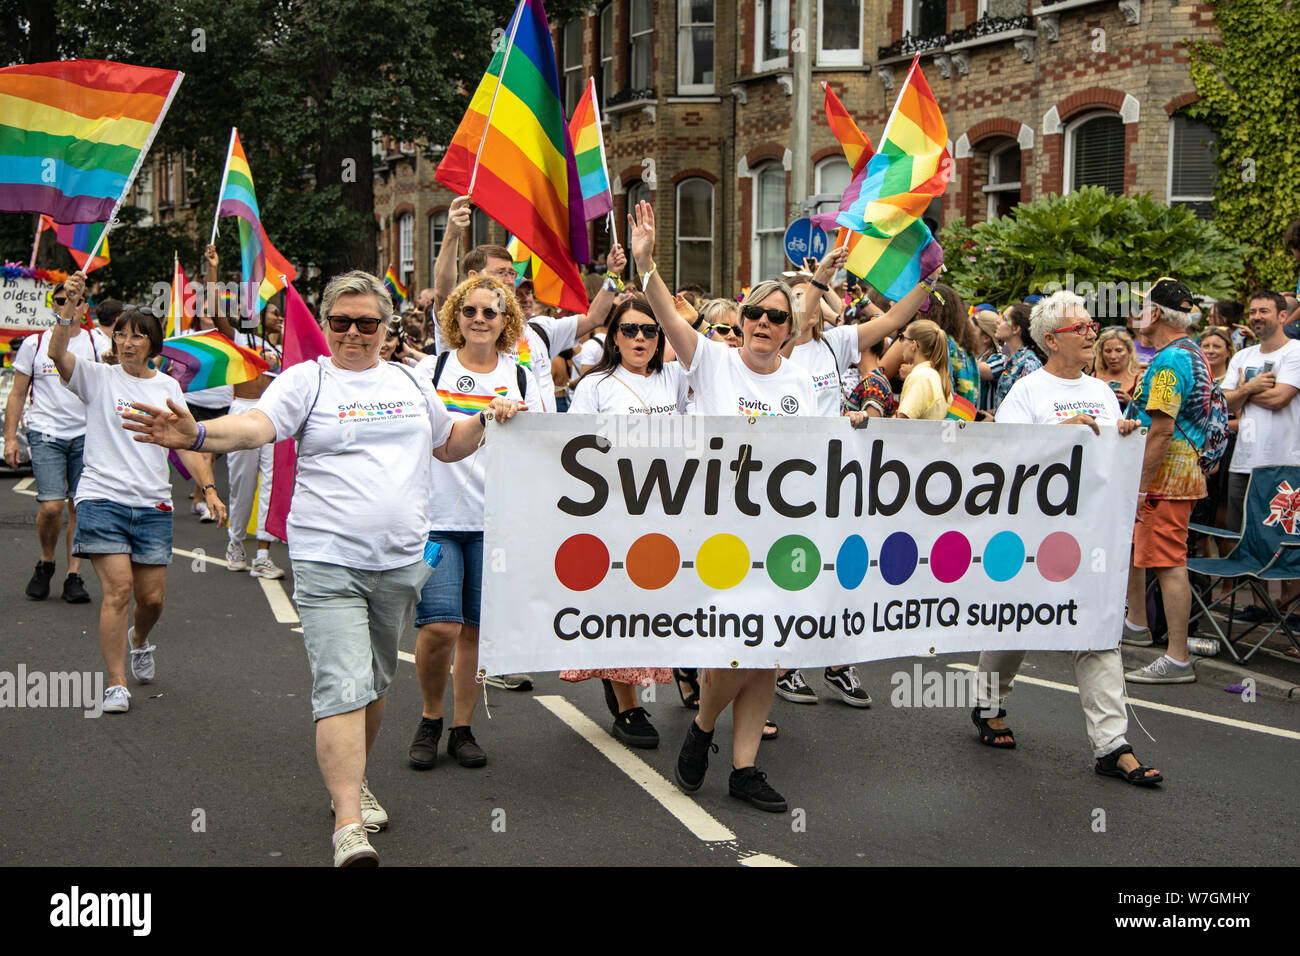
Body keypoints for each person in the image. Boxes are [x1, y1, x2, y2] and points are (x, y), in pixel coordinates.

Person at [124, 269, 521, 866]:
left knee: (375, 682)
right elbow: (258, 425)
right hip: (327, 560)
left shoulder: (412, 381)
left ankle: (353, 779)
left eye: (368, 323)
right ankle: (347, 824)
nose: (354, 334)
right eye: (341, 322)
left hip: (399, 563)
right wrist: (200, 433)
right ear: (327, 324)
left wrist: (489, 419)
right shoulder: (306, 380)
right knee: (342, 682)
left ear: (388, 329)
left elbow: (448, 442)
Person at [629, 199, 812, 813]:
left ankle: (743, 767)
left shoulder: (802, 382)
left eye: (776, 317)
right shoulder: (709, 360)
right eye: (755, 313)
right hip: (715, 529)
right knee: (737, 644)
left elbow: (827, 451)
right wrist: (647, 264)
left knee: (769, 653)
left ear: (791, 329)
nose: (762, 323)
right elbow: (664, 317)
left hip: (782, 535)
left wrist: (862, 425)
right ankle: (706, 723)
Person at [971, 291, 1161, 785]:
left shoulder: (1100, 390)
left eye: (1092, 326)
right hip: (1032, 537)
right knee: (1016, 623)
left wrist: (1121, 445)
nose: (1092, 333)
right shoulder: (1027, 392)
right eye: (1082, 328)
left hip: (1088, 534)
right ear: (1053, 339)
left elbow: (1102, 459)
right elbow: (1003, 462)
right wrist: (1059, 433)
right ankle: (988, 701)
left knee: (1096, 632)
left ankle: (1112, 745)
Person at [48, 272, 226, 716]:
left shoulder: (167, 388)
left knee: (152, 600)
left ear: (152, 344)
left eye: (137, 337)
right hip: (101, 497)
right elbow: (56, 352)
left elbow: (187, 440)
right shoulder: (96, 377)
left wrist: (208, 489)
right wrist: (66, 307)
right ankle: (115, 683)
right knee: (118, 591)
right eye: (121, 335)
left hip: (152, 504)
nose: (127, 343)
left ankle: (140, 640)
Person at [407, 275, 539, 771]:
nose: (480, 319)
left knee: (475, 632)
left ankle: (462, 728)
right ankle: (429, 717)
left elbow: (545, 444)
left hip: (497, 522)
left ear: (507, 321)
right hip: (436, 517)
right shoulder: (429, 370)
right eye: (471, 311)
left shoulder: (522, 376)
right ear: (456, 317)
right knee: (440, 625)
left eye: (491, 312)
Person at [557, 297, 686, 746]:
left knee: (655, 606)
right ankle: (627, 703)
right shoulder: (597, 385)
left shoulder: (675, 378)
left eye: (650, 330)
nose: (639, 339)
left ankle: (648, 681)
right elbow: (573, 447)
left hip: (667, 510)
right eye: (629, 330)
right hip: (613, 514)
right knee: (620, 607)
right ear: (614, 335)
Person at [1121, 278, 1214, 684]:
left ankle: (1177, 658)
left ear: (1155, 314)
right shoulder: (1187, 353)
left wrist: (1140, 486)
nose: (1136, 314)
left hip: (1166, 478)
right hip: (1176, 473)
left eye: (1142, 307)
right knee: (1153, 554)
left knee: (1168, 562)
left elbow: (1161, 429)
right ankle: (1137, 626)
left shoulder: (1170, 360)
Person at [5, 282, 104, 603]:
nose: (67, 305)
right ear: (53, 306)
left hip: (86, 435)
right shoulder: (35, 344)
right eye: (60, 300)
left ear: (85, 307)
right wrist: (10, 438)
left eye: (73, 300)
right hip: (45, 433)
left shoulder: (95, 341)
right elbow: (18, 394)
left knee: (80, 506)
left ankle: (73, 575)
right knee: (51, 506)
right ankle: (47, 562)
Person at [203, 245, 286, 580]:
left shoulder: (283, 346)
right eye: (272, 313)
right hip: (242, 413)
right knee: (243, 486)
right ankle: (236, 543)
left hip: (273, 417)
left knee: (271, 484)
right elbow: (213, 307)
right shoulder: (237, 339)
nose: (278, 317)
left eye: (280, 314)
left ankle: (264, 553)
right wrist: (213, 269)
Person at [1218, 290, 1300, 627]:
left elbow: (1282, 397)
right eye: (1253, 312)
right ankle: (1264, 604)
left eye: (1264, 311)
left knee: (1289, 538)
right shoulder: (1242, 355)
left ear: (1283, 316)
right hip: (1243, 462)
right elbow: (1224, 404)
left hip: (1286, 462)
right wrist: (1251, 389)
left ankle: (1294, 610)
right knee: (1249, 537)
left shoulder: (1295, 352)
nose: (1257, 317)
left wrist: (1243, 392)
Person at [895, 319, 953, 420]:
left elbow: (901, 423)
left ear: (914, 345)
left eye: (902, 337)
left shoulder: (920, 377)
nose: (900, 342)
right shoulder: (937, 375)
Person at [993, 302, 1041, 411]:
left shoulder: (1028, 364)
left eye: (1004, 319)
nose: (997, 321)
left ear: (1016, 329)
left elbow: (1028, 409)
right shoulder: (1008, 358)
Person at [1091, 326, 1142, 407]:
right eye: (1108, 351)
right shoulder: (1094, 378)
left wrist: (1130, 402)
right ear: (1101, 353)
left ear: (1129, 351)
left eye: (1119, 350)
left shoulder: (1139, 379)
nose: (1113, 356)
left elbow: (1146, 413)